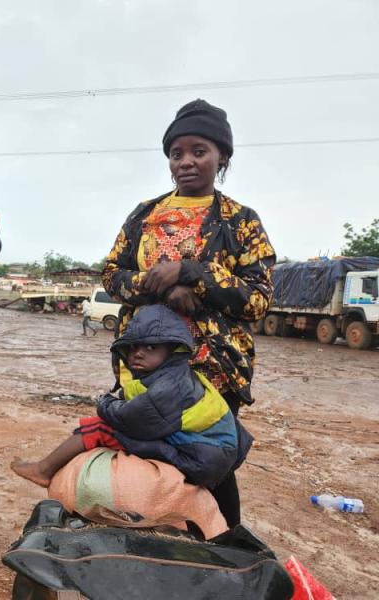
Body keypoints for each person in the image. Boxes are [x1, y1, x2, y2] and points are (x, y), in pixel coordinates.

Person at [102, 99, 276, 527]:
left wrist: (192, 272)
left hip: (212, 366)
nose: (186, 162)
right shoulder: (145, 214)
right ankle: (153, 550)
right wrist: (158, 285)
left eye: (199, 151)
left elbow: (258, 298)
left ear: (222, 158)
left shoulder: (241, 222)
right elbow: (111, 275)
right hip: (144, 365)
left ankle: (227, 557)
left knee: (210, 464)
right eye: (176, 154)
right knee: (145, 454)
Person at [11, 304, 251, 490]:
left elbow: (130, 419)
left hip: (200, 459)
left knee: (100, 428)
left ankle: (43, 471)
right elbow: (136, 395)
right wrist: (121, 397)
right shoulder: (172, 375)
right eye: (134, 347)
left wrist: (104, 402)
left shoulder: (170, 386)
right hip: (207, 452)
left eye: (150, 347)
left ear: (173, 349)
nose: (138, 353)